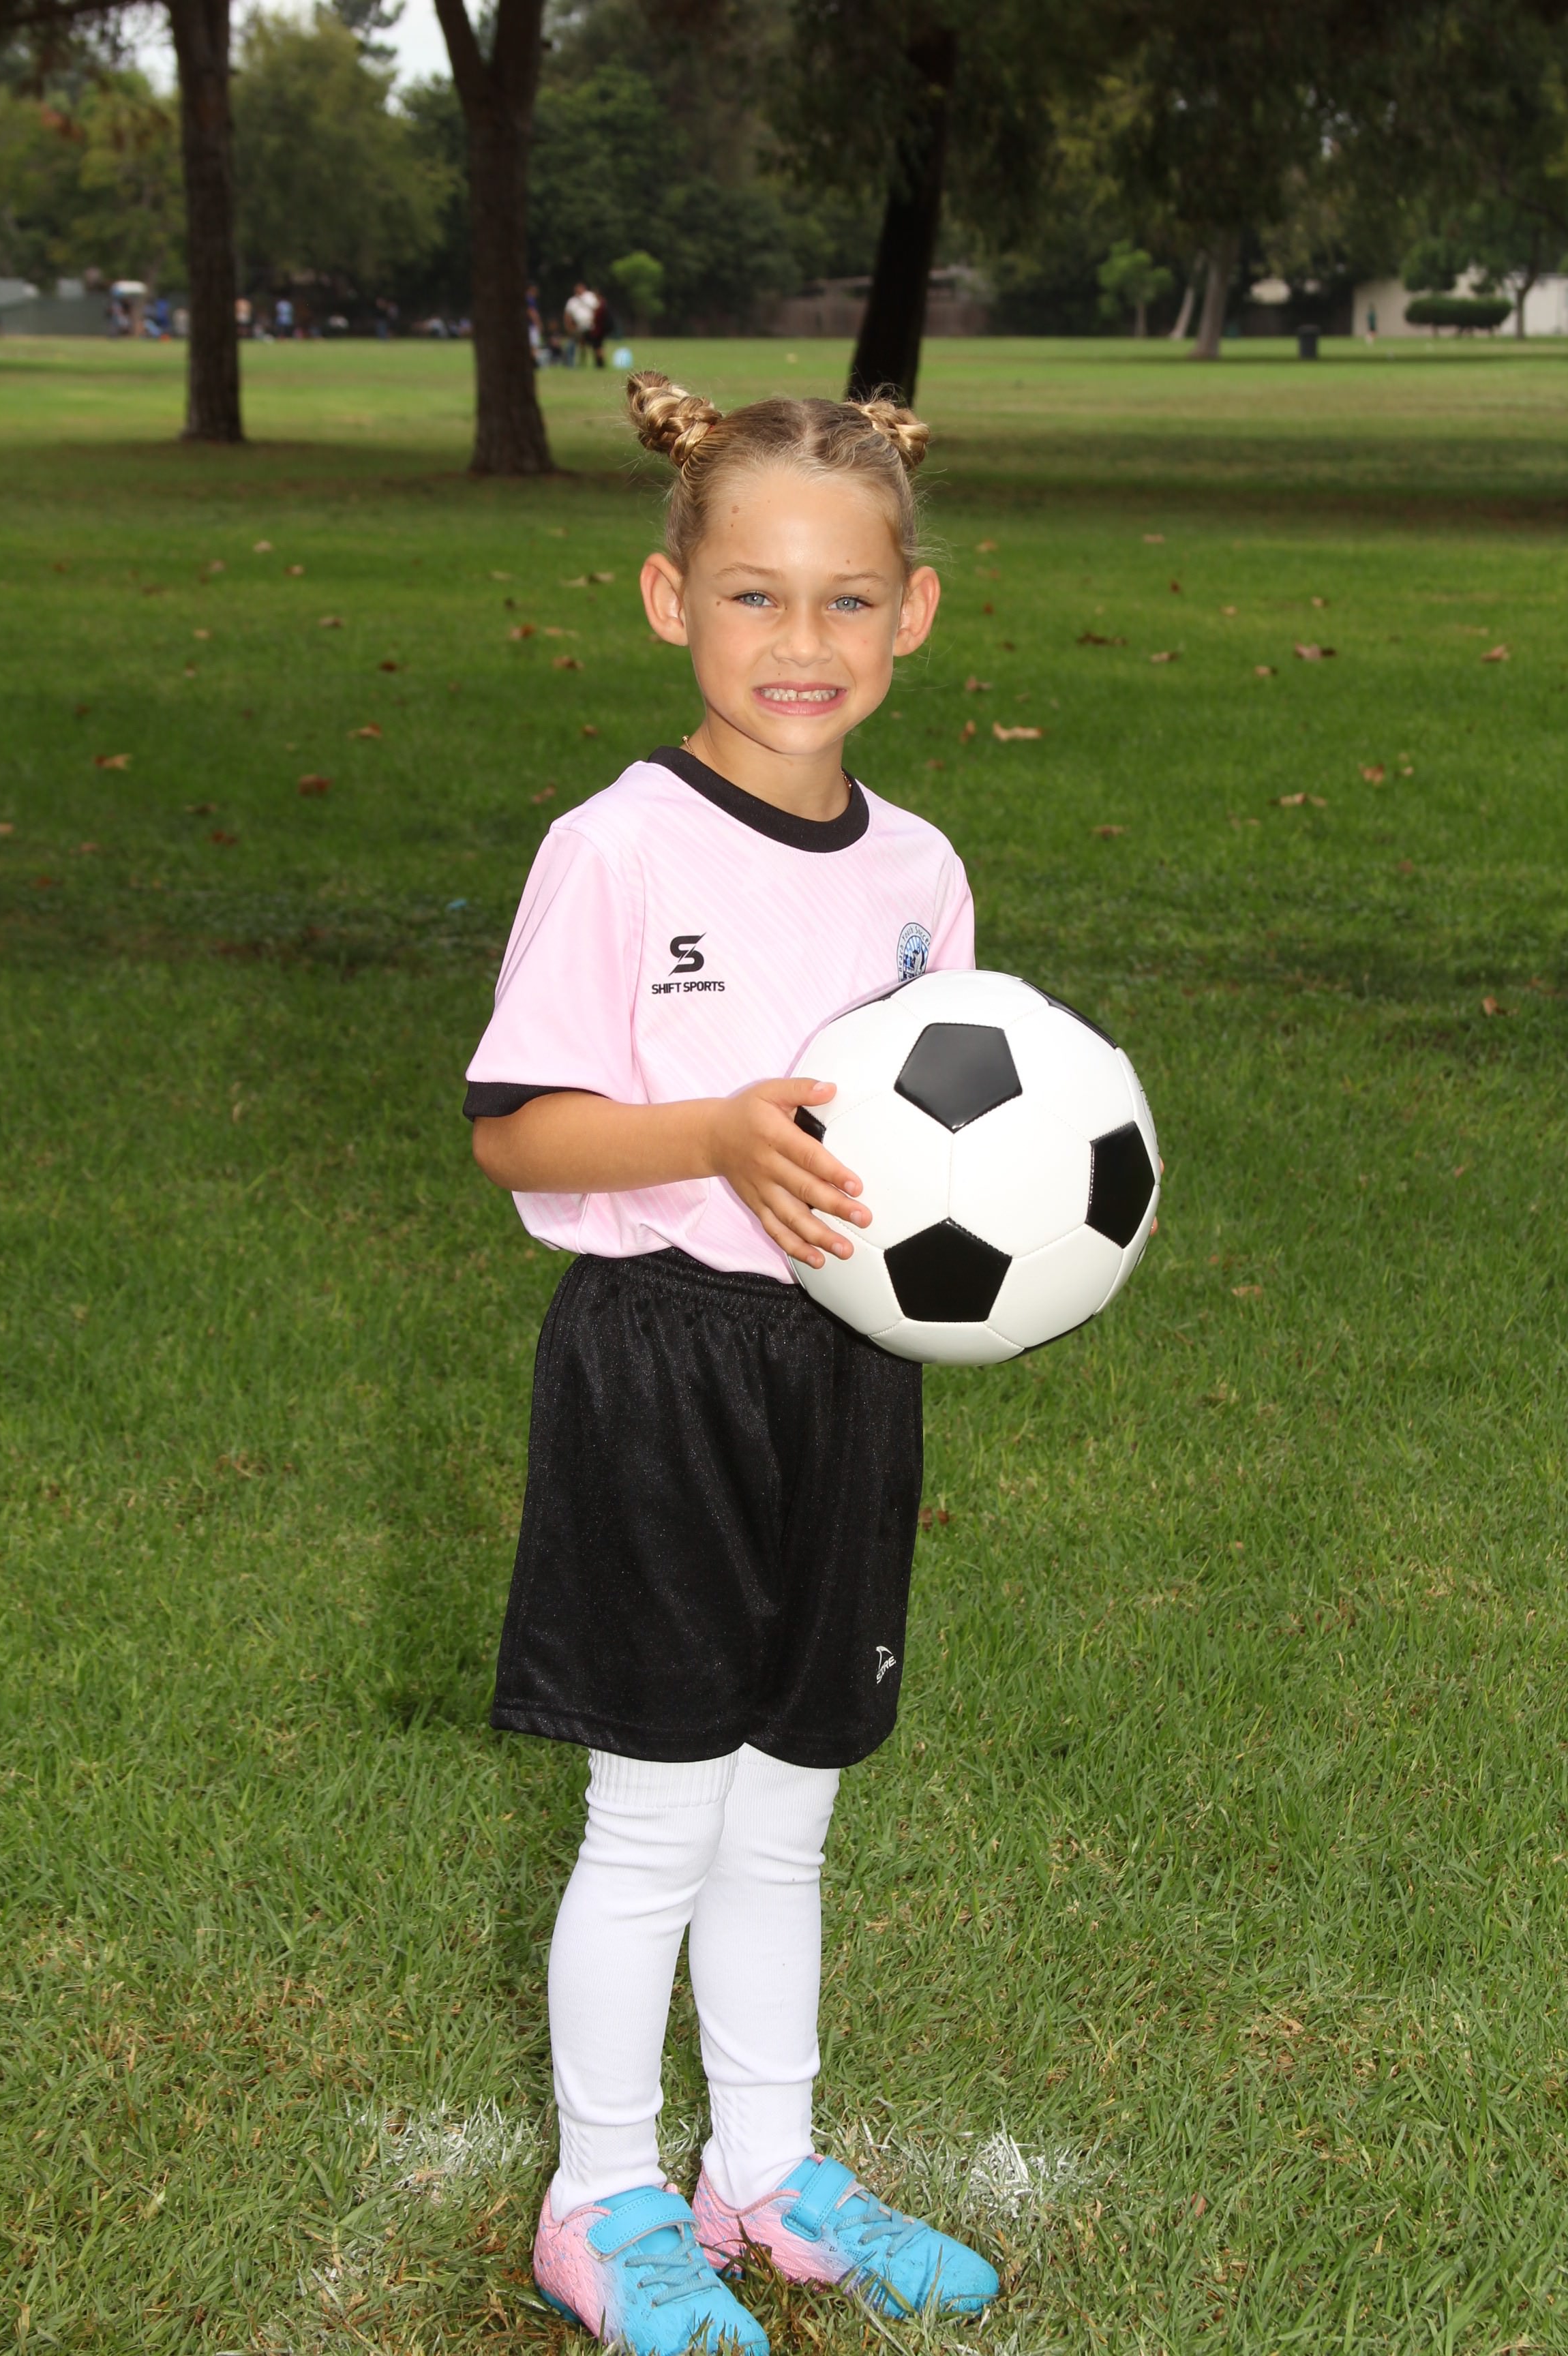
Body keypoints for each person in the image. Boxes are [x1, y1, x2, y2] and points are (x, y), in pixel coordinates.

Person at [464, 372, 1001, 2356]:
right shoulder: (616, 848)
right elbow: (517, 1132)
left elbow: (961, 1141)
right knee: (657, 1814)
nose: (804, 640)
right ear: (666, 597)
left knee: (789, 1808)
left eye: (847, 599)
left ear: (912, 612)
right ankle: (599, 2200)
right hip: (664, 1364)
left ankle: (764, 2170)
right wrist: (710, 1133)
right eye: (755, 594)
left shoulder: (920, 871)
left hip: (846, 1369)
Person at [564, 280, 597, 366]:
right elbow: (568, 315)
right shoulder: (572, 301)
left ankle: (598, 362)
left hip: (591, 326)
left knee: (595, 344)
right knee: (576, 344)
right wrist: (569, 327)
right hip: (578, 327)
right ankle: (573, 362)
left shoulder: (590, 297)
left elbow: (597, 310)